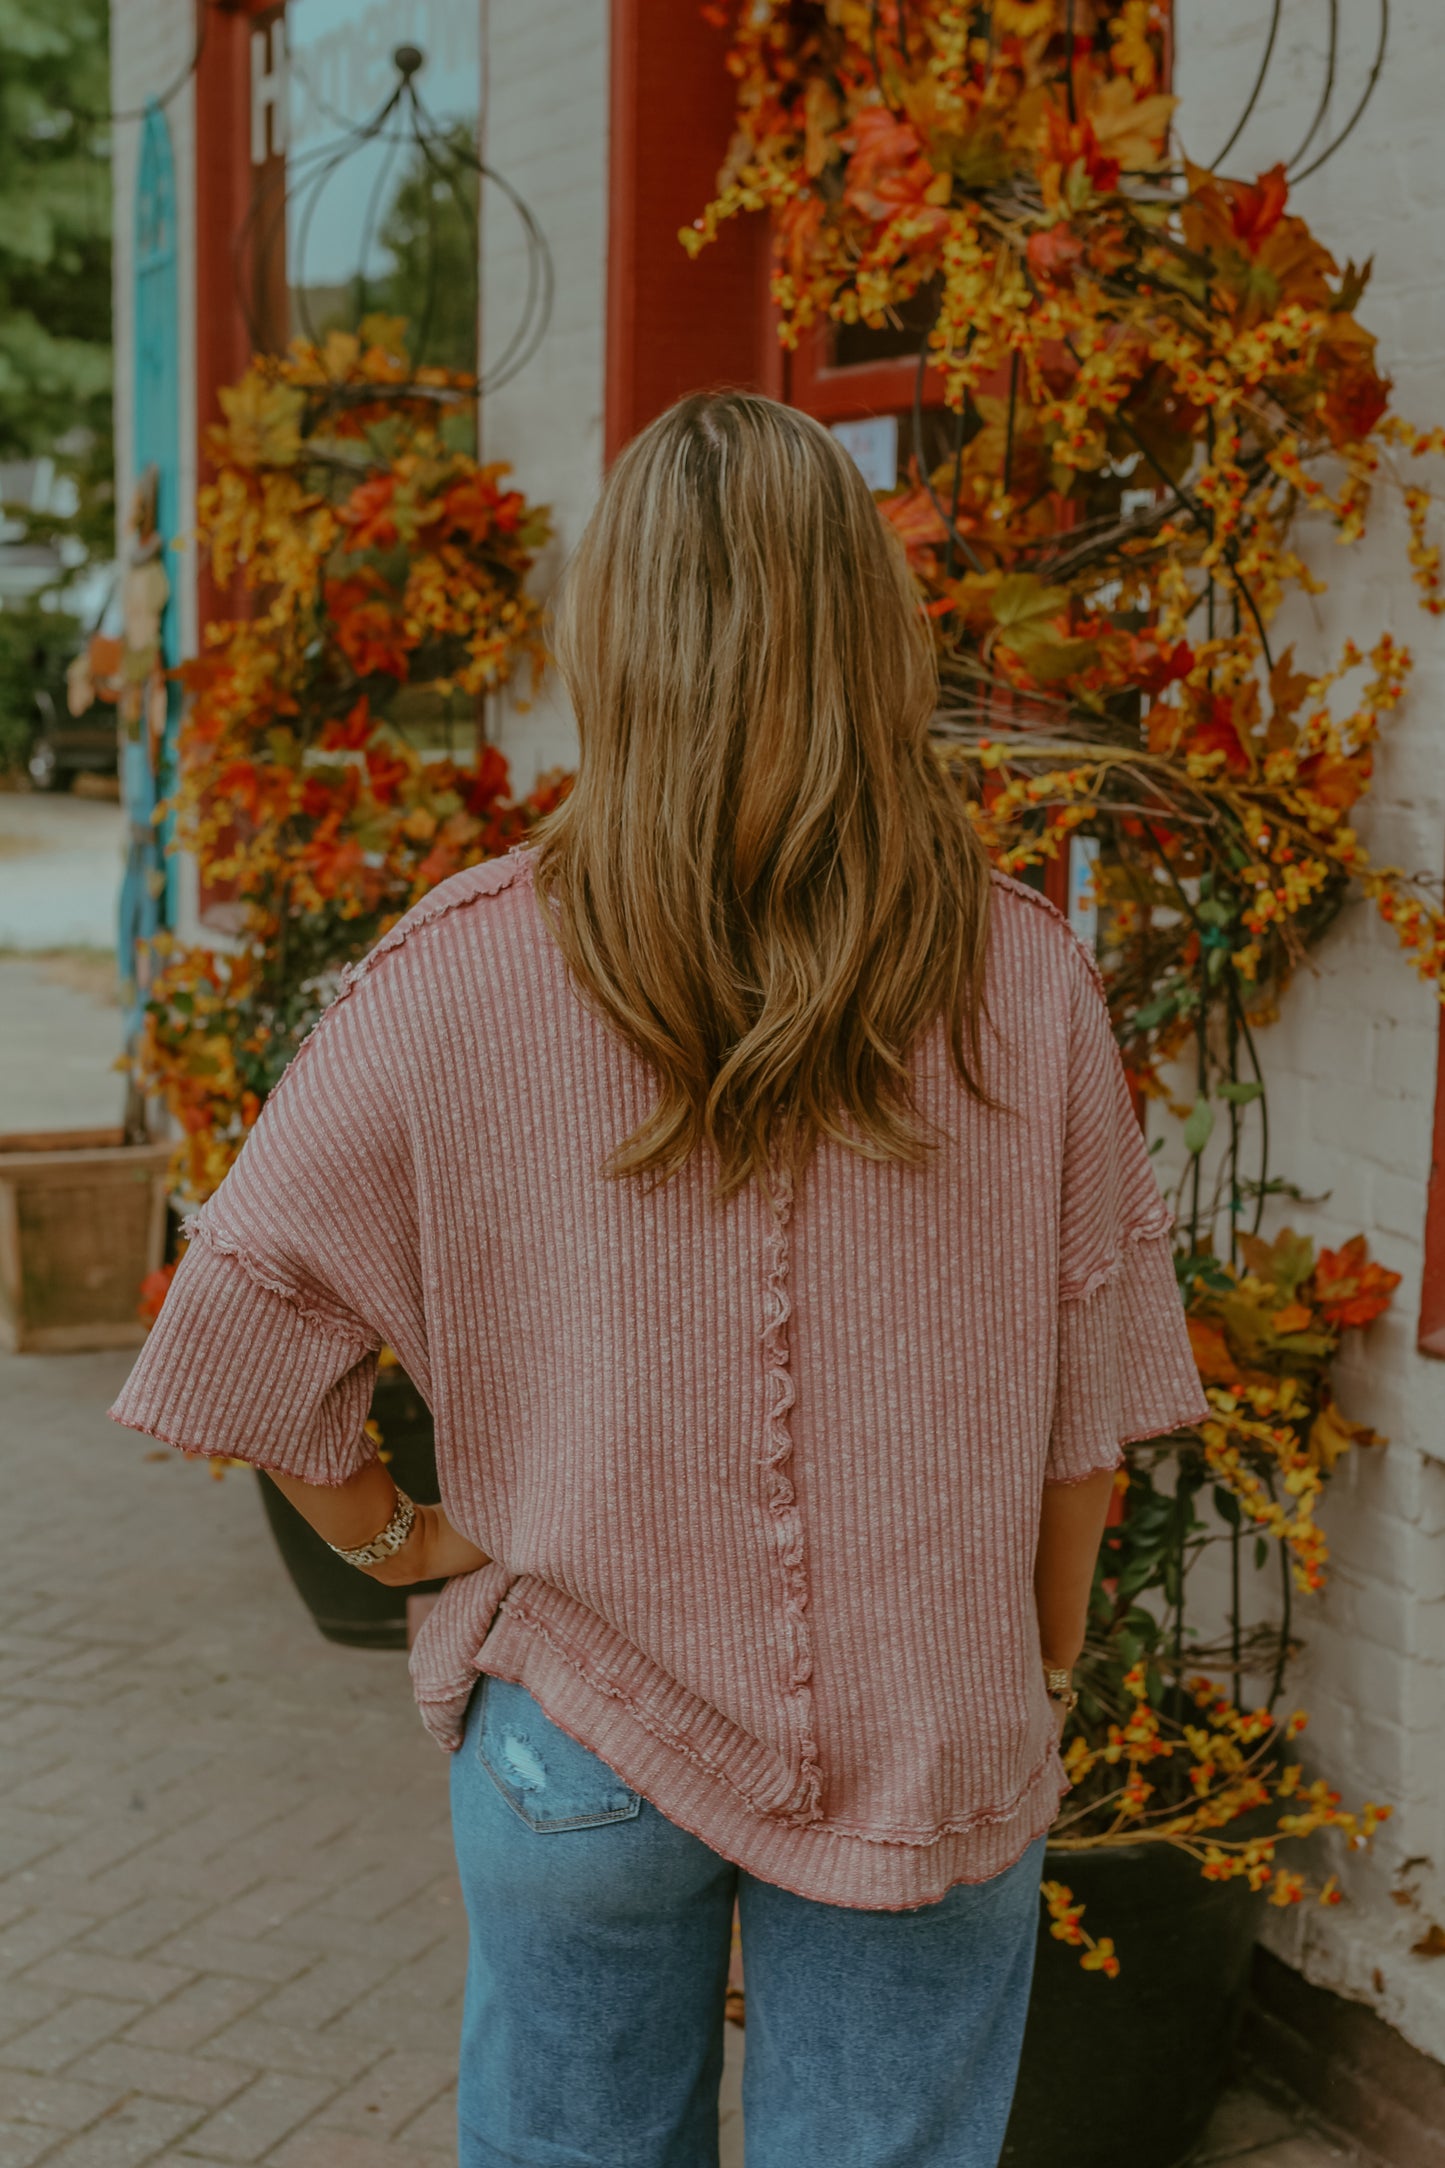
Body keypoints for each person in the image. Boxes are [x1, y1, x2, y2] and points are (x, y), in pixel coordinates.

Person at [112, 391, 1207, 2168]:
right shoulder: (1020, 975)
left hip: (577, 1733)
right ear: (871, 629)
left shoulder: (456, 970)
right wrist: (1040, 1658)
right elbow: (1089, 1414)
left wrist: (400, 1540)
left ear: (607, 639)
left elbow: (235, 1329)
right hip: (929, 1719)